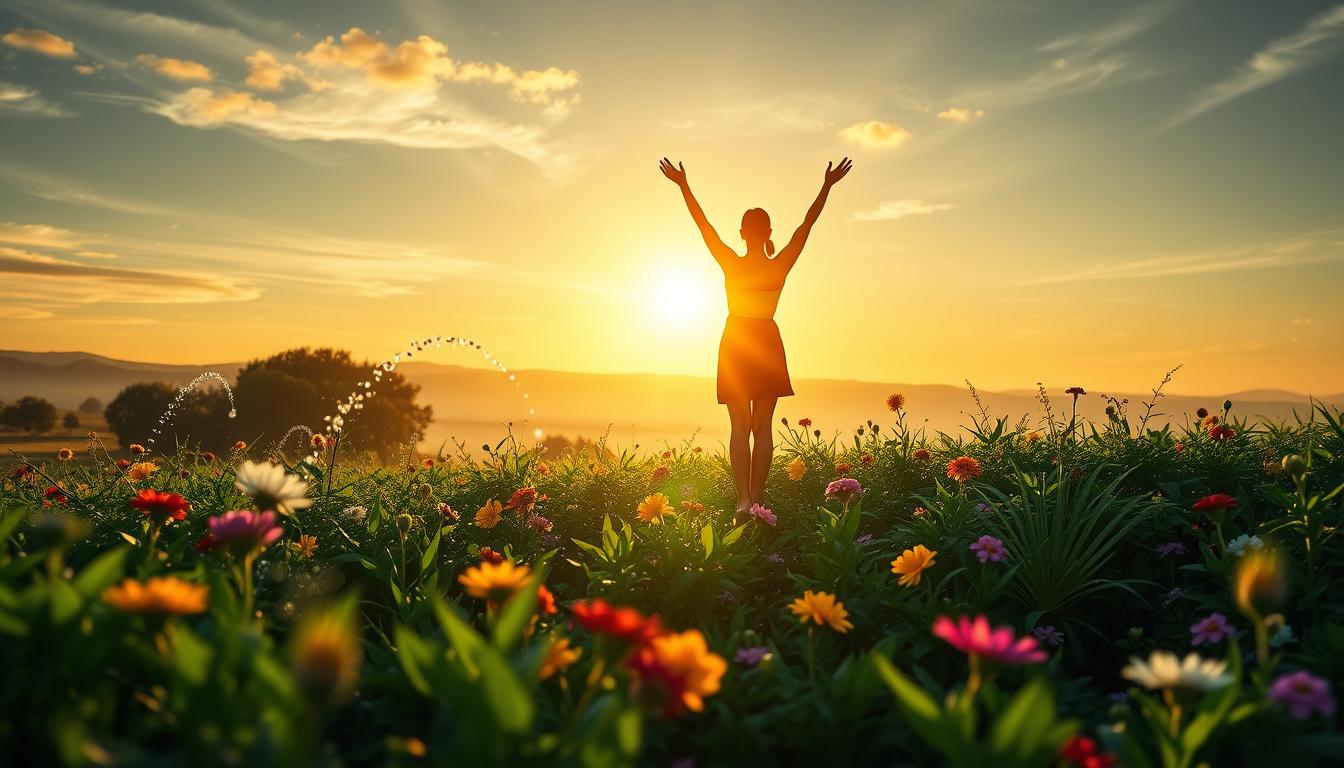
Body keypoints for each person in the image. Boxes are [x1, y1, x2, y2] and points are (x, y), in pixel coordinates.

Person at [660, 156, 852, 516]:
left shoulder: (732, 262)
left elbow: (705, 228)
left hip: (736, 339)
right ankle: (755, 500)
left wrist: (684, 186)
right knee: (761, 426)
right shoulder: (780, 264)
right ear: (767, 233)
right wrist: (826, 185)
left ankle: (743, 499)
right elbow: (806, 226)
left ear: (745, 233)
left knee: (741, 424)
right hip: (764, 339)